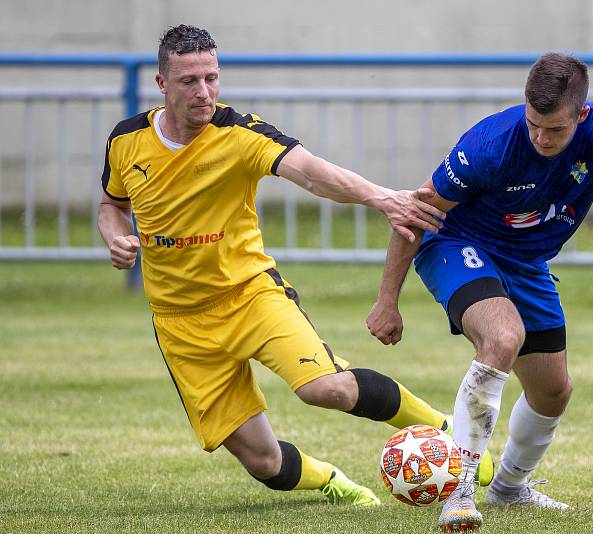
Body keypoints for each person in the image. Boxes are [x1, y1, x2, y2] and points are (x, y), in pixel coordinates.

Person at [98, 24, 489, 507]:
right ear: (161, 84)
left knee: (327, 389)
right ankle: (330, 481)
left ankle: (445, 431)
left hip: (250, 295)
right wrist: (116, 237)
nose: (204, 92)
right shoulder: (127, 141)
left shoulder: (238, 134)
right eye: (189, 81)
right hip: (180, 324)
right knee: (262, 462)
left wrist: (384, 199)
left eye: (212, 78)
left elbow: (312, 172)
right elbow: (110, 204)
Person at [367, 52, 593, 531]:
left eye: (554, 129)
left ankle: (510, 487)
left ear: (581, 114)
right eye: (533, 124)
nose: (540, 138)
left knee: (553, 391)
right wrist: (387, 301)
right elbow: (416, 213)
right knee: (503, 338)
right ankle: (460, 491)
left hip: (527, 262)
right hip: (456, 242)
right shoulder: (490, 144)